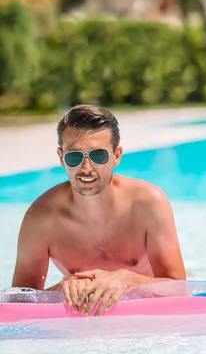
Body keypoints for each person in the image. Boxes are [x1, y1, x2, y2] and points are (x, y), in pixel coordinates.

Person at [11, 104, 186, 316]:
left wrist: (126, 279)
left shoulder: (148, 204)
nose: (86, 168)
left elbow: (181, 290)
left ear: (117, 155)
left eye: (98, 156)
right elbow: (18, 302)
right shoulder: (41, 217)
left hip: (144, 313)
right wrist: (59, 290)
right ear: (61, 158)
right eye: (74, 157)